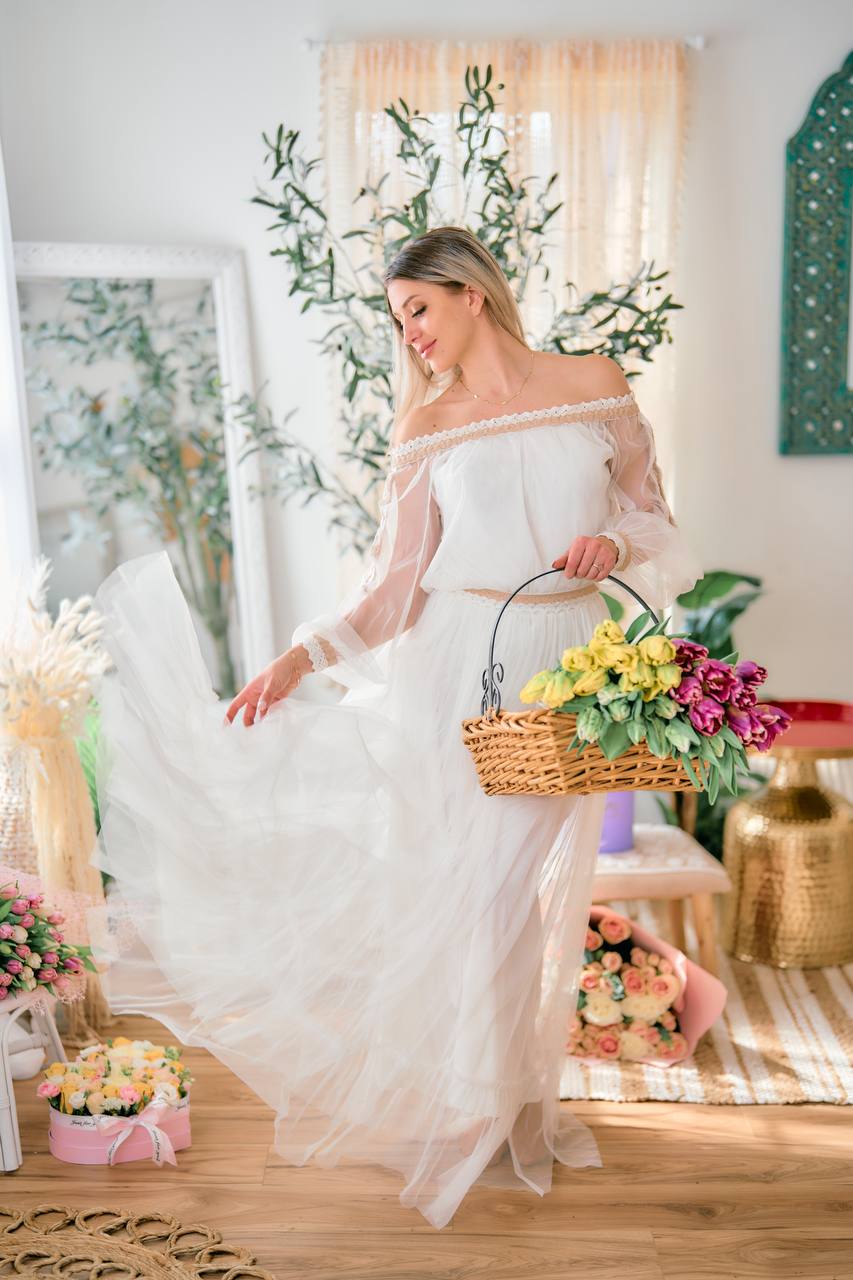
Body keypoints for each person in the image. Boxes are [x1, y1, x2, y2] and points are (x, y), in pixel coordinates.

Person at [89, 225, 702, 1231]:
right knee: (480, 891)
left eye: (417, 308)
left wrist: (613, 541)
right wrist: (301, 657)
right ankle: (482, 1102)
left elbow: (654, 518)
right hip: (461, 667)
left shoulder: (591, 382)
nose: (409, 333)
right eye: (398, 317)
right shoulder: (428, 427)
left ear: (470, 292)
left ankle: (491, 1094)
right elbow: (395, 590)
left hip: (569, 669)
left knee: (510, 892)